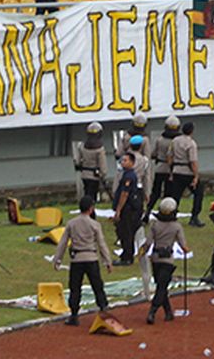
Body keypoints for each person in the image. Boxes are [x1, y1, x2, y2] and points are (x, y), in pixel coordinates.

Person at [54, 195, 112, 326]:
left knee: (75, 288)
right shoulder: (95, 224)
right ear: (91, 209)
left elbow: (63, 243)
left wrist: (57, 259)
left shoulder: (71, 223)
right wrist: (107, 262)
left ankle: (74, 315)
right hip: (91, 258)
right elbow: (102, 244)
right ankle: (103, 309)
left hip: (76, 260)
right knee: (97, 286)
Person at [139, 197, 188, 324]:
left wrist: (141, 252)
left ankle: (168, 312)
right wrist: (186, 250)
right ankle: (152, 311)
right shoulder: (177, 226)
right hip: (167, 260)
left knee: (161, 286)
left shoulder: (155, 225)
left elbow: (148, 243)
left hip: (155, 258)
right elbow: (183, 245)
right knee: (162, 286)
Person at [112, 152, 143, 265]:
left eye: (125, 160)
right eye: (122, 161)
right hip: (128, 208)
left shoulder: (129, 176)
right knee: (123, 232)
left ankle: (127, 257)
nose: (123, 163)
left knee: (126, 233)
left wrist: (118, 210)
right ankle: (126, 254)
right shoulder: (126, 174)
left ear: (132, 162)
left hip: (128, 209)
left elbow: (124, 194)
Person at [168, 121, 202, 226]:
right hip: (188, 171)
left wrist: (171, 170)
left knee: (176, 195)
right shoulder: (191, 143)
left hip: (177, 170)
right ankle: (194, 217)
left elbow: (169, 156)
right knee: (198, 193)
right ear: (191, 131)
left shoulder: (175, 141)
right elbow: (193, 161)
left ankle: (171, 215)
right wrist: (196, 175)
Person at [147, 116, 180, 215]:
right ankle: (167, 211)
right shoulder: (177, 141)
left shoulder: (160, 139)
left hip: (160, 167)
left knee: (155, 192)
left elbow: (153, 154)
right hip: (171, 169)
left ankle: (148, 211)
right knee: (168, 193)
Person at [75, 122, 107, 202]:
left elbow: (78, 161)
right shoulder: (100, 149)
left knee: (87, 192)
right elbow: (102, 164)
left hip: (84, 174)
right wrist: (103, 174)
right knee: (92, 195)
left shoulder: (82, 146)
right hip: (95, 175)